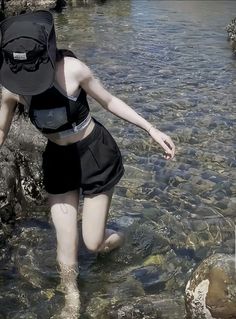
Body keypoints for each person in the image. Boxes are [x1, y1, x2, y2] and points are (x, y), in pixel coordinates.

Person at [0, 10, 175, 318]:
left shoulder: (73, 69)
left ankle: (122, 236)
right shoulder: (11, 87)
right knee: (65, 245)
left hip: (95, 154)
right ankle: (72, 304)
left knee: (92, 244)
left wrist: (151, 129)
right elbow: (1, 129)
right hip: (58, 160)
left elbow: (109, 101)